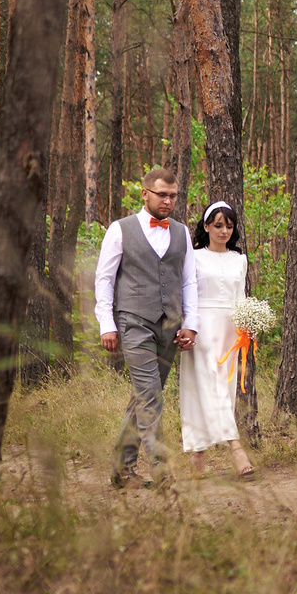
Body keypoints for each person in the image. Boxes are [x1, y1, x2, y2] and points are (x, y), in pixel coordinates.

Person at [95, 167, 200, 487]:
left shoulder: (182, 232)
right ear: (145, 194)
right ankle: (160, 468)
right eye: (161, 195)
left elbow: (188, 281)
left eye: (173, 196)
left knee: (144, 396)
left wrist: (191, 324)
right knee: (151, 394)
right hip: (133, 322)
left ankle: (121, 469)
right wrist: (106, 324)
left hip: (170, 326)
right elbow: (104, 279)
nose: (168, 201)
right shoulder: (120, 229)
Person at [178, 200, 256, 478]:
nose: (224, 231)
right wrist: (187, 326)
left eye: (229, 226)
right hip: (202, 326)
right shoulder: (194, 256)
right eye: (219, 225)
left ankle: (197, 457)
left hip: (230, 331)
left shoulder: (239, 259)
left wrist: (249, 324)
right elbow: (188, 295)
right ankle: (236, 449)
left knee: (220, 387)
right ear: (207, 226)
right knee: (210, 383)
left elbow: (240, 298)